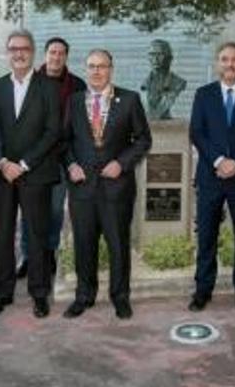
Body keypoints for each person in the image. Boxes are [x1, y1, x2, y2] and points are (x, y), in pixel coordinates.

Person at [62, 49, 151, 320]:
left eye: (102, 66)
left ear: (111, 69)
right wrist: (71, 164)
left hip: (117, 189)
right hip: (83, 189)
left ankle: (120, 297)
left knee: (118, 246)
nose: (96, 71)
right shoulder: (75, 101)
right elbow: (64, 141)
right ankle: (84, 296)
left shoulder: (130, 100)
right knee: (84, 245)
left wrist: (122, 164)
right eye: (91, 66)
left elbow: (143, 140)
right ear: (86, 69)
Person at [0, 29, 61, 319]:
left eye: (25, 49)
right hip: (3, 174)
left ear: (33, 53)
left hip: (36, 173)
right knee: (3, 236)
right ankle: (3, 293)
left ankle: (39, 293)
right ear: (7, 53)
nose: (19, 53)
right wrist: (4, 163)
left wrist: (24, 164)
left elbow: (52, 131)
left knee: (37, 235)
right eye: (13, 48)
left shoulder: (49, 87)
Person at [188, 42, 235, 313]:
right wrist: (220, 161)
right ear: (218, 63)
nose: (230, 64)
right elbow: (197, 132)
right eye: (225, 59)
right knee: (206, 236)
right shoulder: (204, 94)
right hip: (211, 176)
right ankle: (202, 291)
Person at [16, 37, 86, 280]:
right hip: (34, 158)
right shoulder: (31, 80)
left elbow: (80, 124)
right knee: (30, 211)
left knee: (55, 210)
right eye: (52, 52)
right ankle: (26, 255)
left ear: (66, 57)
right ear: (44, 55)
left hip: (61, 156)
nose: (56, 57)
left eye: (61, 53)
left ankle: (48, 253)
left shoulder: (77, 85)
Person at [141, 39, 187, 120]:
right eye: (152, 54)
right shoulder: (144, 84)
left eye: (160, 54)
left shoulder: (177, 83)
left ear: (170, 58)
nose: (155, 58)